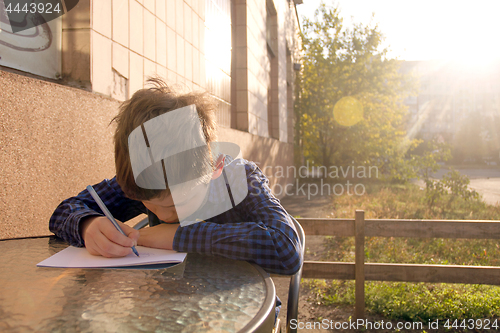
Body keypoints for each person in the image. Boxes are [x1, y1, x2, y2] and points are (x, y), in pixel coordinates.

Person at [49, 78, 302, 277]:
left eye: (174, 204)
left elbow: (286, 249)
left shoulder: (241, 180)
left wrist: (181, 235)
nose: (164, 215)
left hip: (243, 308)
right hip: (169, 304)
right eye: (149, 204)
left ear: (214, 167)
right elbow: (64, 211)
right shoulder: (145, 183)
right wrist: (87, 225)